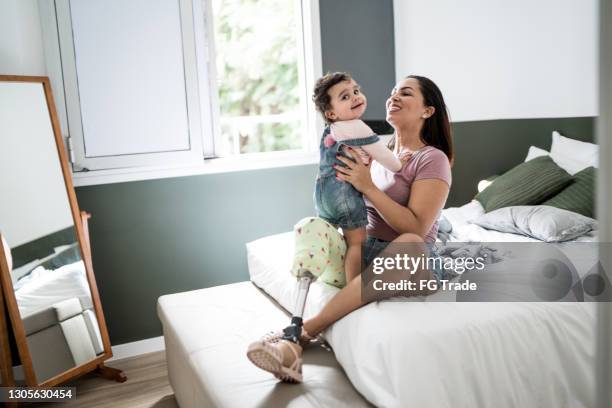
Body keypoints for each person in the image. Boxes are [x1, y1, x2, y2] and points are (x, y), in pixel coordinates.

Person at [247, 75, 454, 383]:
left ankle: (299, 336)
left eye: (406, 93)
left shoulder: (432, 159)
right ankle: (305, 330)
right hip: (367, 252)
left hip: (411, 259)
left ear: (427, 111)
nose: (393, 97)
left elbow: (416, 227)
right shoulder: (375, 150)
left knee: (410, 242)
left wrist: (368, 186)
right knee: (310, 226)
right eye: (393, 91)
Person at [312, 72, 403, 286]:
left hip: (322, 194)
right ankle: (353, 290)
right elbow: (386, 157)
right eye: (345, 97)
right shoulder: (357, 126)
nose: (355, 97)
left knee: (331, 239)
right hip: (344, 194)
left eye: (356, 91)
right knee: (356, 243)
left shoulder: (331, 130)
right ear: (331, 113)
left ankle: (325, 275)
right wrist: (400, 164)